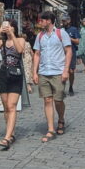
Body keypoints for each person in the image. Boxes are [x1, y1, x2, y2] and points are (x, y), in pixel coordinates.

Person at [32, 10, 72, 142]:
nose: (40, 22)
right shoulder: (40, 36)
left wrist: (66, 70)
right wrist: (34, 72)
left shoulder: (61, 33)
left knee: (58, 100)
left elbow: (68, 51)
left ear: (48, 20)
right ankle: (50, 129)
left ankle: (61, 119)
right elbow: (37, 54)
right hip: (44, 72)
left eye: (42, 20)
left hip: (58, 72)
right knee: (47, 100)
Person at [0, 19, 26, 151]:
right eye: (6, 26)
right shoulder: (2, 41)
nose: (7, 28)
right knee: (6, 107)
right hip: (4, 74)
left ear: (14, 28)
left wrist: (12, 35)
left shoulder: (20, 39)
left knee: (12, 106)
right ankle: (11, 132)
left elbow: (20, 50)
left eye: (10, 26)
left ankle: (7, 137)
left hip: (16, 74)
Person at [63, 15, 81, 96]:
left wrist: (69, 38)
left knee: (71, 71)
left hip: (72, 52)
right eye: (62, 21)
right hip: (61, 53)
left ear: (68, 21)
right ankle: (62, 88)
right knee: (61, 71)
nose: (62, 22)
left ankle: (70, 86)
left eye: (64, 21)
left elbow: (77, 42)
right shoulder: (61, 30)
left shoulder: (73, 30)